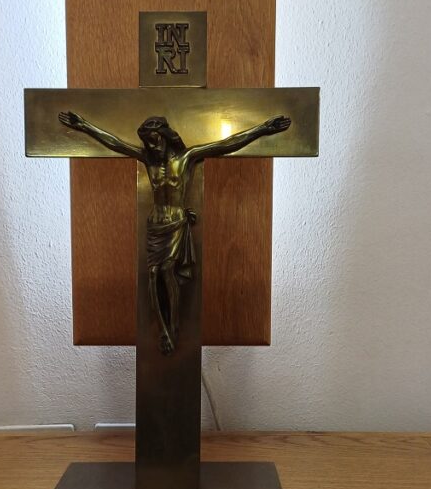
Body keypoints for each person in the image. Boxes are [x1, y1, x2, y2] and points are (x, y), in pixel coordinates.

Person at [58, 110, 291, 354]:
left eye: (155, 139)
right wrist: (84, 126)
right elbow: (115, 143)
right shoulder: (148, 160)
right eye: (148, 140)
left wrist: (263, 129)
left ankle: (173, 326)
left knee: (167, 270)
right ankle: (163, 330)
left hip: (176, 223)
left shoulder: (187, 157)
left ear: (167, 137)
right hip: (156, 226)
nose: (152, 145)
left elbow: (226, 144)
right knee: (152, 274)